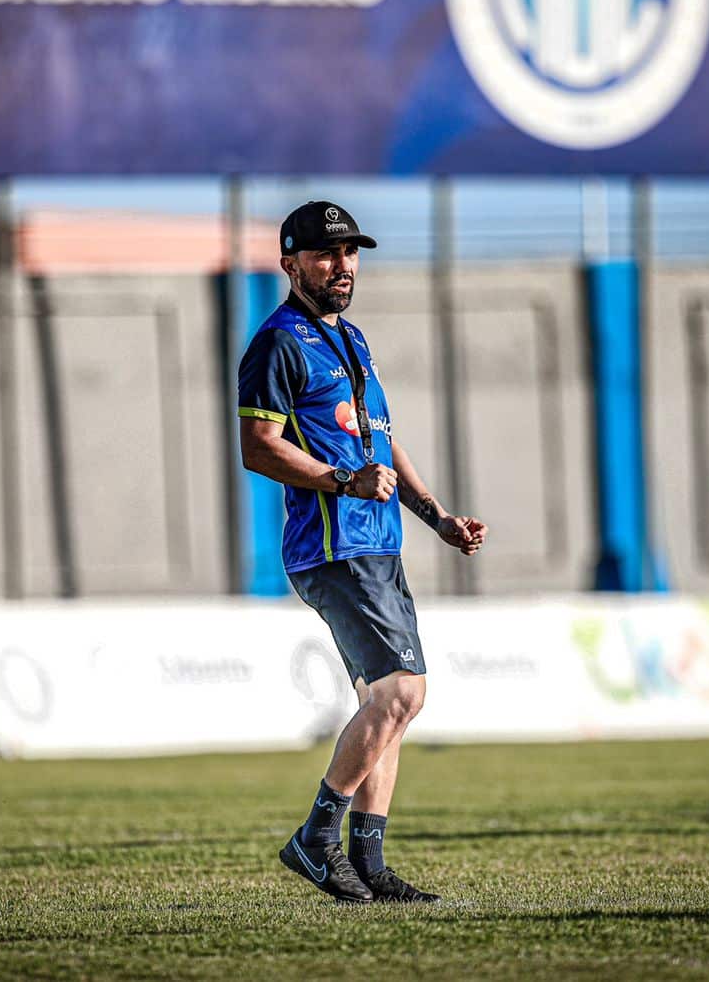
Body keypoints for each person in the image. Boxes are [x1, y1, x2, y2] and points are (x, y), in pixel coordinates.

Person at [237, 200, 488, 902]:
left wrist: (436, 517)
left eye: (350, 253)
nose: (341, 266)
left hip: (379, 544)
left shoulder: (351, 340)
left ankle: (369, 863)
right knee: (402, 691)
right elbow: (258, 448)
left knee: (391, 704)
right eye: (324, 254)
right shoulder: (279, 342)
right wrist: (342, 479)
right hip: (332, 545)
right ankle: (317, 838)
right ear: (290, 264)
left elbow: (382, 442)